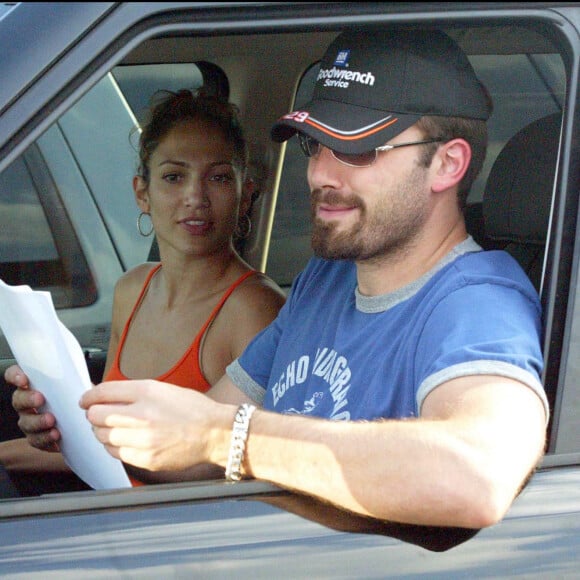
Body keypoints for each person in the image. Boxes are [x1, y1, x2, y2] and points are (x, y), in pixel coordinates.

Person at [8, 29, 547, 529]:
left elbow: (477, 475)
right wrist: (89, 432)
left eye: (357, 149)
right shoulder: (327, 282)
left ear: (448, 164)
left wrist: (225, 437)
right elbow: (191, 445)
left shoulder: (477, 302)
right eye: (315, 146)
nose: (319, 175)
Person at [2, 88, 285, 490]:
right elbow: (103, 449)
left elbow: (252, 463)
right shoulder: (132, 289)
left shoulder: (254, 308)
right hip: (111, 510)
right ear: (142, 193)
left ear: (245, 196)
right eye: (174, 176)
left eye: (219, 177)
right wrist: (53, 429)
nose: (195, 197)